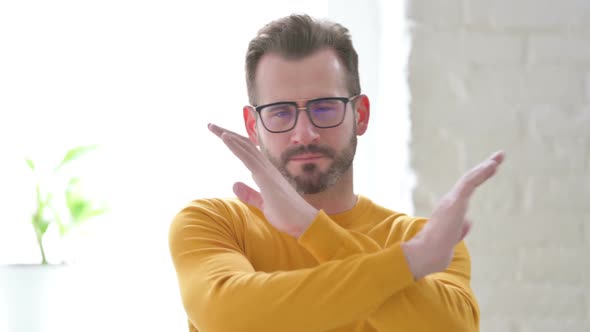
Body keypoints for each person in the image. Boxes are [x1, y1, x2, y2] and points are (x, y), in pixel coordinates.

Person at [168, 14, 504, 332]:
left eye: (324, 107)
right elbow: (232, 318)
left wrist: (310, 227)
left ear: (360, 114)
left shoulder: (419, 237)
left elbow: (452, 329)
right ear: (253, 126)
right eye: (280, 112)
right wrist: (409, 263)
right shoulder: (213, 223)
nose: (304, 133)